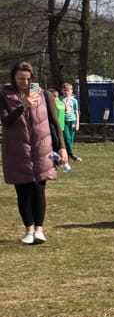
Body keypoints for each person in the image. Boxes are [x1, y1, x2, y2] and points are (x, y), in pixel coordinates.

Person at [3, 62, 65, 244]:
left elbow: (55, 123)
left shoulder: (44, 94)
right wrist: (22, 106)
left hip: (41, 149)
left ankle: (39, 229)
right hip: (17, 150)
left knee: (39, 189)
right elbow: (6, 121)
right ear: (14, 78)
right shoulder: (5, 94)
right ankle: (28, 229)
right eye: (20, 78)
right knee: (23, 190)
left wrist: (62, 147)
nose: (24, 82)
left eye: (27, 78)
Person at [58, 81, 80, 162]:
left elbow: (76, 112)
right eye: (65, 90)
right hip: (64, 121)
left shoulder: (74, 100)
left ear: (71, 91)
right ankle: (71, 154)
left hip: (72, 120)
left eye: (68, 90)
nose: (66, 92)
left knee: (71, 139)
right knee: (67, 138)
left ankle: (68, 154)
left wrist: (77, 123)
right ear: (62, 91)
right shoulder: (60, 99)